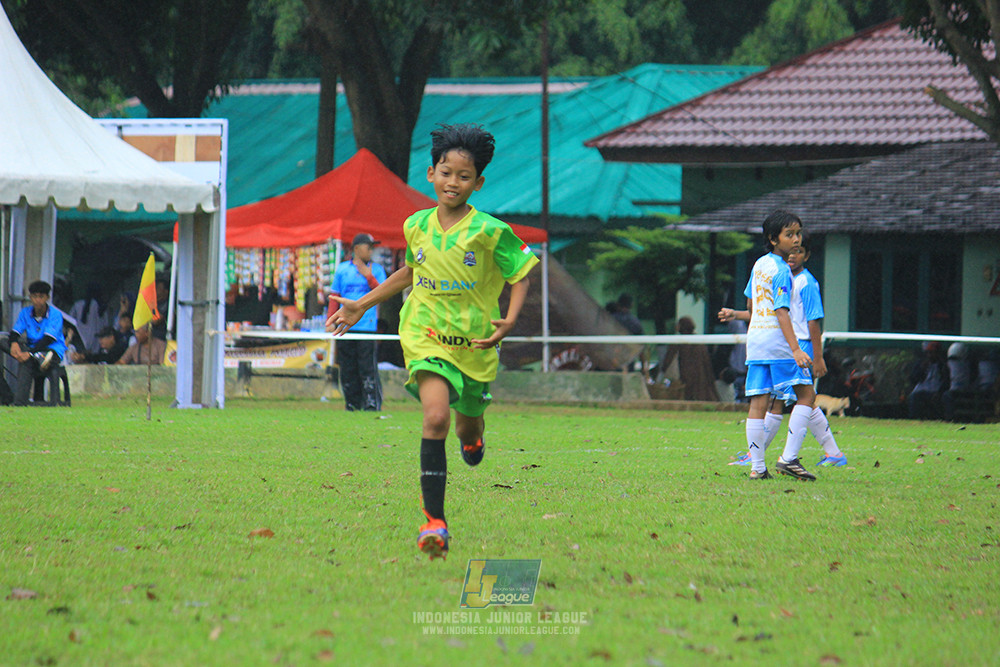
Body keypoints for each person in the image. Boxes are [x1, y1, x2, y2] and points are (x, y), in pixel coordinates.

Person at [326, 123, 538, 560]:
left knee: (465, 424)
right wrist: (360, 305)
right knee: (436, 418)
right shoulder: (415, 225)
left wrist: (510, 319)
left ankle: (474, 437)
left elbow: (521, 273)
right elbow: (410, 273)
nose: (452, 182)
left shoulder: (490, 231)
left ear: (478, 183)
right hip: (424, 334)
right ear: (430, 173)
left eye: (463, 176)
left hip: (474, 343)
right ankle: (435, 523)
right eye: (445, 172)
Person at [721, 233, 848, 468]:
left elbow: (813, 322)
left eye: (799, 251)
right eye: (791, 246)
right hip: (784, 346)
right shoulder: (780, 274)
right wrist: (735, 314)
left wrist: (817, 356)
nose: (793, 254)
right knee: (788, 401)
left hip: (797, 346)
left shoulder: (806, 283)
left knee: (792, 400)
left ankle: (780, 457)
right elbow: (761, 310)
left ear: (807, 255)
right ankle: (831, 453)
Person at [723, 210, 816, 481]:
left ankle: (758, 468)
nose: (797, 240)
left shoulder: (759, 265)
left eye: (798, 233)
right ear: (773, 239)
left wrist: (734, 314)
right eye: (790, 234)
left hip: (756, 342)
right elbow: (781, 311)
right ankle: (788, 459)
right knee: (807, 396)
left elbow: (753, 309)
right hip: (777, 343)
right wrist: (796, 349)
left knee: (758, 404)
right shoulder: (782, 270)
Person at [330, 232, 388, 411]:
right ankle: (352, 403)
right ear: (356, 249)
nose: (371, 250)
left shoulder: (377, 270)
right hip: (345, 327)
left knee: (367, 367)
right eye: (368, 246)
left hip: (367, 327)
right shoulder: (342, 269)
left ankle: (372, 403)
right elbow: (335, 297)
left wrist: (368, 276)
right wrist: (329, 322)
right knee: (347, 367)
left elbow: (383, 293)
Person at [8, 280, 67, 406]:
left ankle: (19, 402)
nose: (37, 300)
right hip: (32, 349)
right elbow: (15, 332)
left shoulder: (55, 314)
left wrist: (28, 353)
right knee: (7, 343)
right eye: (34, 296)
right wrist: (14, 344)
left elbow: (48, 339)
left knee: (28, 361)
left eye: (41, 297)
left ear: (47, 297)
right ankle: (38, 358)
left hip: (52, 349)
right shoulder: (25, 312)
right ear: (30, 297)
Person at [657, 316, 720, 401]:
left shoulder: (679, 341)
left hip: (685, 375)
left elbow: (668, 360)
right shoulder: (699, 341)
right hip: (700, 376)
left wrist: (662, 372)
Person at [908, 342, 948, 420]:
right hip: (921, 390)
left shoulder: (943, 365)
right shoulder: (920, 363)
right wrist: (922, 369)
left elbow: (946, 381)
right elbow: (913, 379)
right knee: (914, 397)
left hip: (936, 391)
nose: (930, 355)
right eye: (928, 353)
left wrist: (940, 392)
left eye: (933, 353)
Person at [68, 282, 110, 354]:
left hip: (79, 347)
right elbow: (106, 328)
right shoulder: (102, 309)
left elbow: (69, 322)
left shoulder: (78, 305)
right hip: (97, 348)